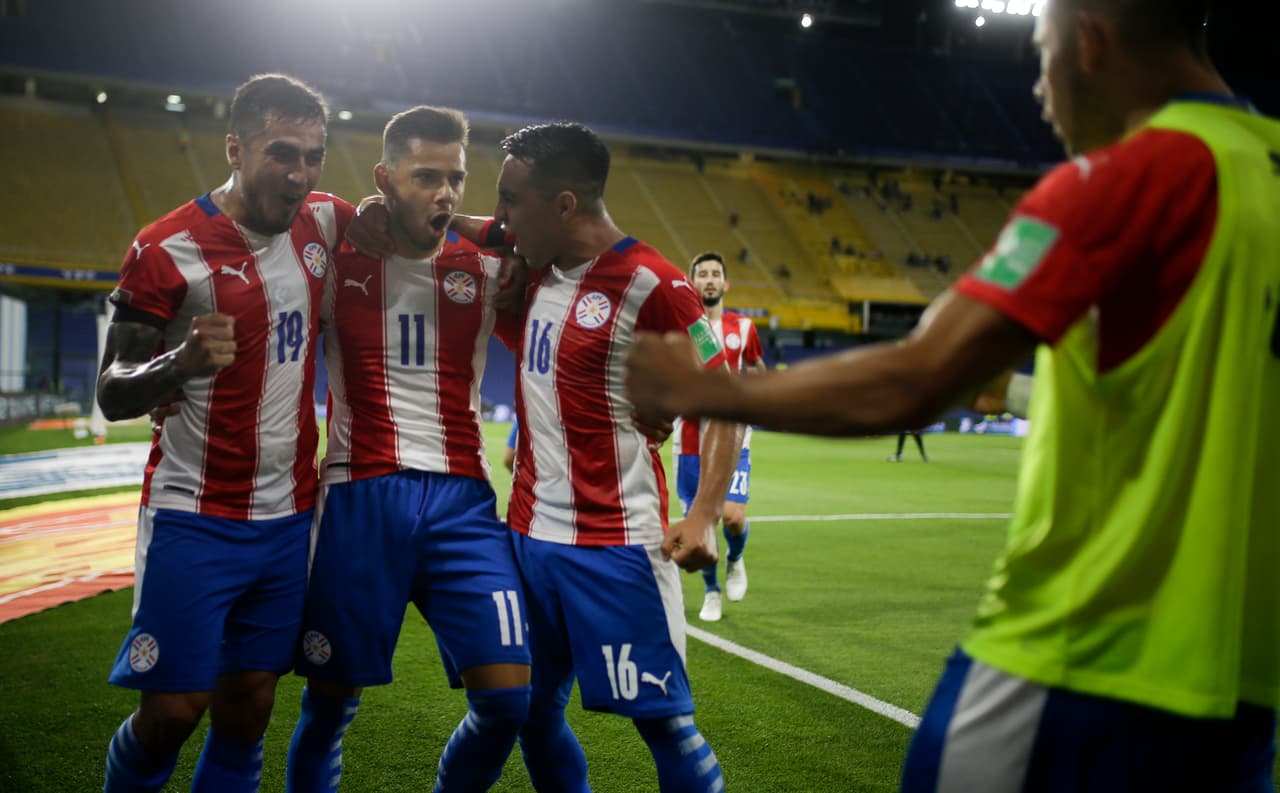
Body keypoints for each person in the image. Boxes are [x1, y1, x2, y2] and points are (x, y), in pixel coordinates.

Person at [625, 1, 1280, 789]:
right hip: (1245, 689)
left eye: (1042, 54)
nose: (1038, 88)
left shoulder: (1122, 183)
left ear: (1092, 42)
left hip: (1080, 662)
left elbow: (915, 378)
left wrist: (697, 384)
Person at [97, 74, 351, 793]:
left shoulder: (325, 221)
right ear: (235, 148)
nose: (300, 174)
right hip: (192, 513)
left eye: (313, 155)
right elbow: (112, 390)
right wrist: (178, 361)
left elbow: (420, 211)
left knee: (250, 704)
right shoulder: (165, 248)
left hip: (286, 517)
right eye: (282, 153)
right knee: (174, 709)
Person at [286, 106, 532, 793]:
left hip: (465, 503)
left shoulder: (488, 269)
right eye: (426, 176)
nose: (446, 191)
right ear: (385, 177)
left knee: (509, 698)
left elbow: (556, 259)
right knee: (331, 703)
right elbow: (278, 204)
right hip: (360, 493)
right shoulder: (336, 254)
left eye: (455, 177)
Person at [493, 122, 741, 793]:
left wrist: (703, 514)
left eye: (511, 201)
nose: (500, 220)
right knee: (531, 712)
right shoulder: (537, 265)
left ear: (564, 204)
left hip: (616, 548)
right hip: (526, 540)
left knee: (666, 726)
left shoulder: (656, 286)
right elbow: (470, 231)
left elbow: (727, 399)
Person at [676, 251, 766, 622]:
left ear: (725, 284)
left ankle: (737, 557)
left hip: (733, 437)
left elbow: (758, 370)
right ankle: (712, 592)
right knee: (702, 523)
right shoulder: (681, 330)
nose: (710, 279)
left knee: (731, 516)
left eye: (716, 274)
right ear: (692, 282)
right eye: (703, 274)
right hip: (692, 440)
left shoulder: (743, 328)